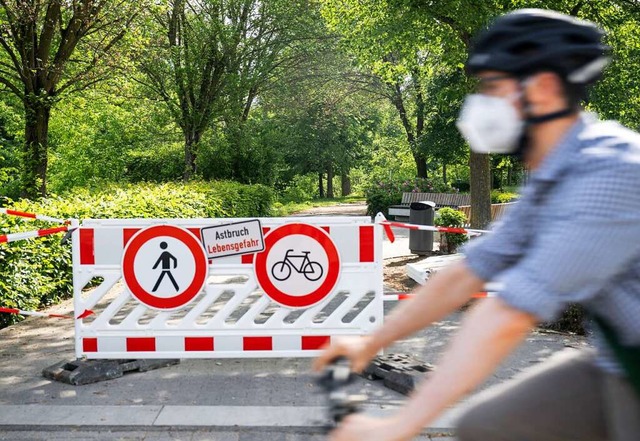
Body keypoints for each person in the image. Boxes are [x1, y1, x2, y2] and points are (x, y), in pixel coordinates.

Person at [314, 8, 640, 441]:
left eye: (493, 86)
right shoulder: (549, 178)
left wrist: (399, 426)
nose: (481, 102)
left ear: (542, 88)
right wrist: (369, 343)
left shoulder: (608, 173)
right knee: (486, 425)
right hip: (615, 357)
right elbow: (465, 274)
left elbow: (506, 314)